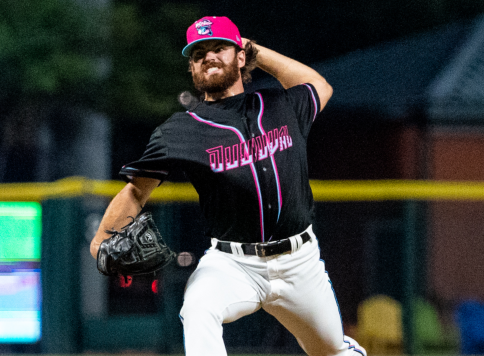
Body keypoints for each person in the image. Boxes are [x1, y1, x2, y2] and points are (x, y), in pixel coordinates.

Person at [90, 16, 367, 356]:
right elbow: (136, 190)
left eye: (218, 48)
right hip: (233, 263)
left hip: (301, 262)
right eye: (198, 54)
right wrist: (101, 238)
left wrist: (257, 51)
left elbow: (319, 85)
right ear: (192, 69)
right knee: (197, 309)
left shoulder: (278, 105)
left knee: (331, 351)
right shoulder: (180, 131)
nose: (208, 57)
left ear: (240, 57)